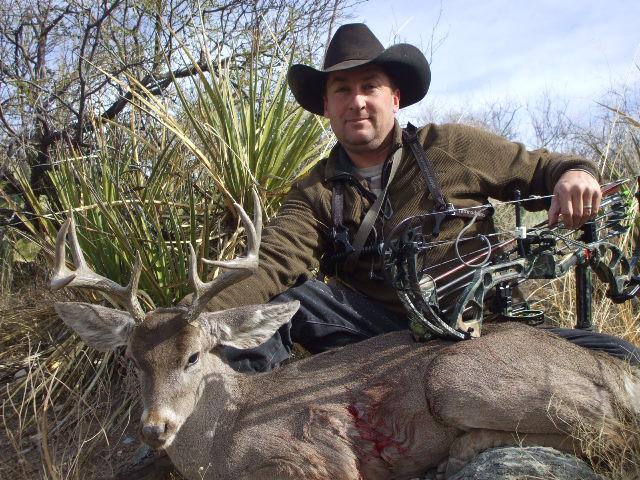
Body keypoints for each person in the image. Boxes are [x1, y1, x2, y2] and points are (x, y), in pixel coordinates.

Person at [207, 23, 639, 372]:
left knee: (621, 358)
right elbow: (271, 263)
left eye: (369, 86)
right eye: (342, 89)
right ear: (326, 106)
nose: (356, 101)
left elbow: (543, 168)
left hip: (490, 330)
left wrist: (576, 175)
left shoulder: (451, 147)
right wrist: (194, 319)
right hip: (385, 337)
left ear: (394, 98)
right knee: (287, 306)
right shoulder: (314, 190)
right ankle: (242, 422)